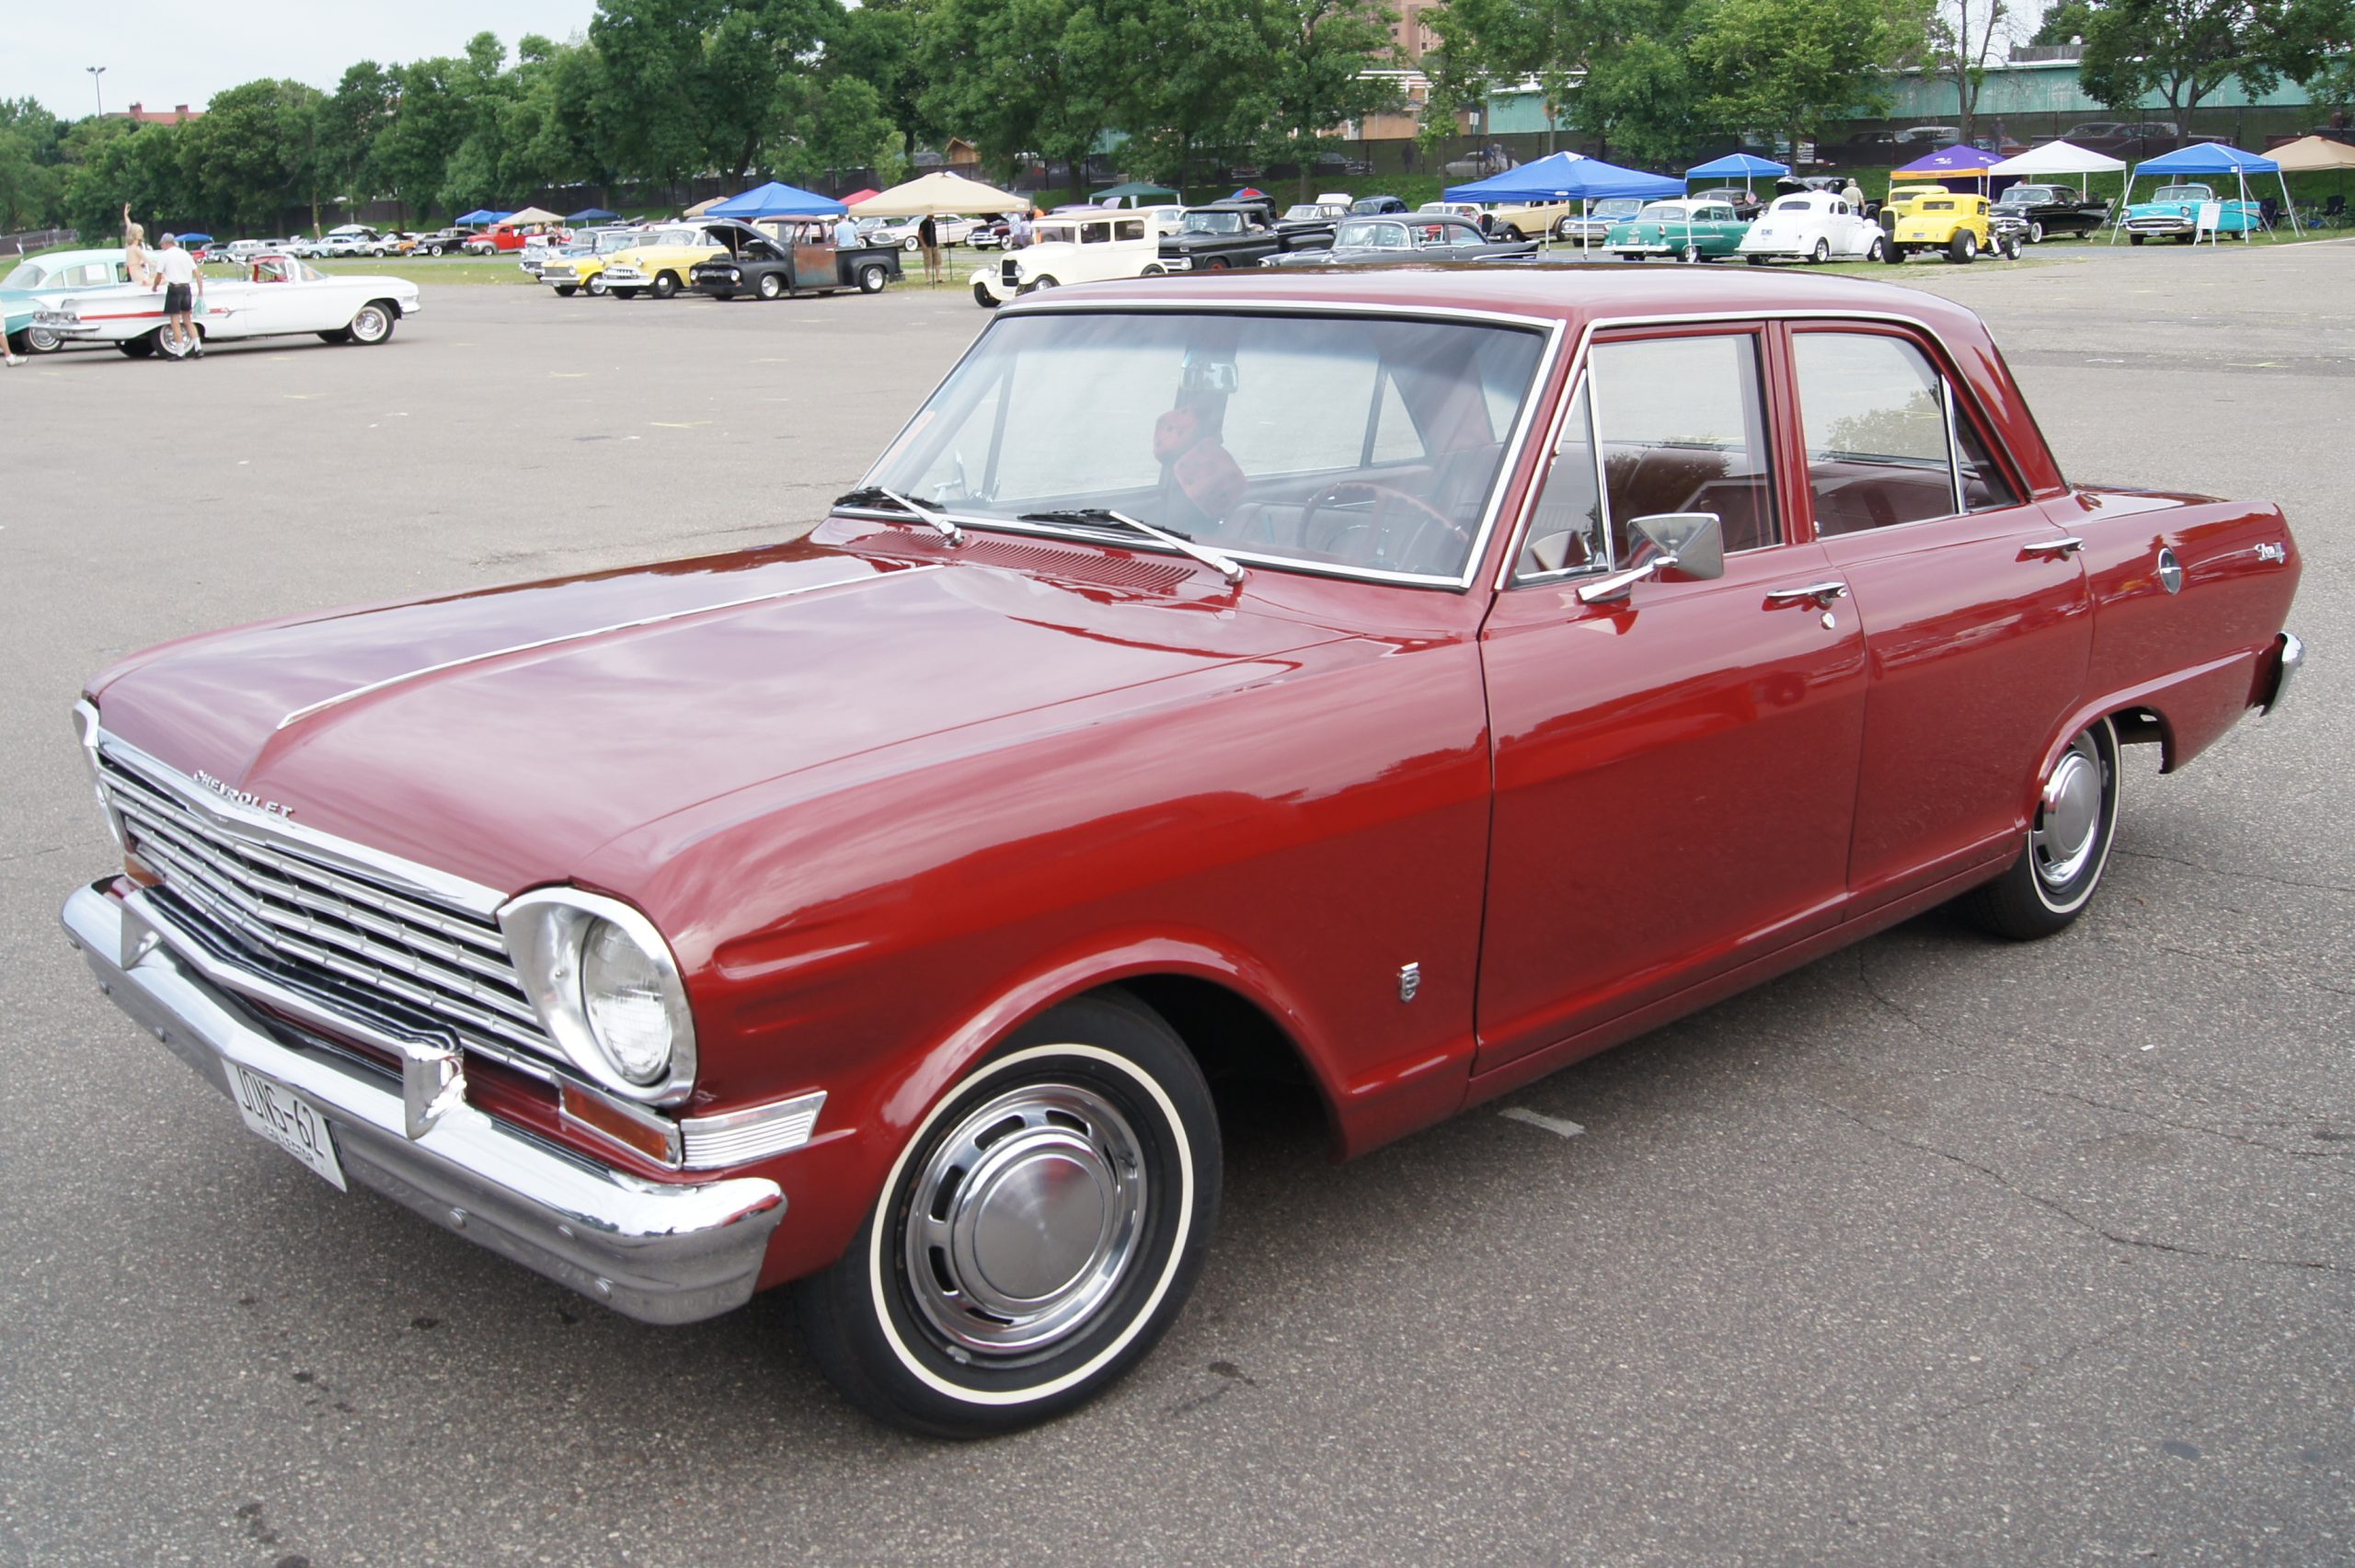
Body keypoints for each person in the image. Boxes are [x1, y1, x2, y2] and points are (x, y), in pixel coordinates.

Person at [153, 233, 202, 359]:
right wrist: (200, 291)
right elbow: (197, 273)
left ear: (165, 243)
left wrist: (154, 287)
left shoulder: (164, 256)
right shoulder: (185, 254)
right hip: (186, 288)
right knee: (187, 320)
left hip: (174, 289)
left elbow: (158, 275)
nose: (162, 246)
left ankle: (180, 352)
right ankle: (198, 348)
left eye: (162, 244)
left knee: (175, 321)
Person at [122, 202, 153, 287]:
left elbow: (130, 228)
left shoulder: (136, 246)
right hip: (140, 273)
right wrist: (126, 216)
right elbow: (130, 227)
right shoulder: (134, 247)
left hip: (142, 271)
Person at [917, 212, 940, 284]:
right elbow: (919, 235)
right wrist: (923, 244)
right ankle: (928, 279)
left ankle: (938, 277)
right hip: (927, 245)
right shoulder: (923, 223)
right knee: (928, 262)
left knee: (938, 261)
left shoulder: (932, 223)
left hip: (935, 245)